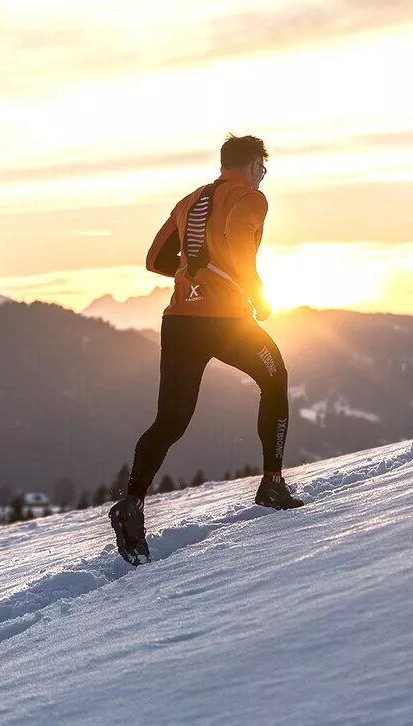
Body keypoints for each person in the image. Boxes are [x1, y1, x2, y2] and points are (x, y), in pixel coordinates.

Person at [109, 135, 303, 565]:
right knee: (275, 378)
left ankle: (133, 503)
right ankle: (272, 482)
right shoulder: (252, 198)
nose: (262, 176)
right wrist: (258, 292)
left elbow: (156, 258)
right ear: (254, 165)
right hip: (226, 321)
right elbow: (236, 240)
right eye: (262, 169)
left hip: (179, 321)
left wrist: (192, 269)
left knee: (170, 421)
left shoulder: (191, 200)